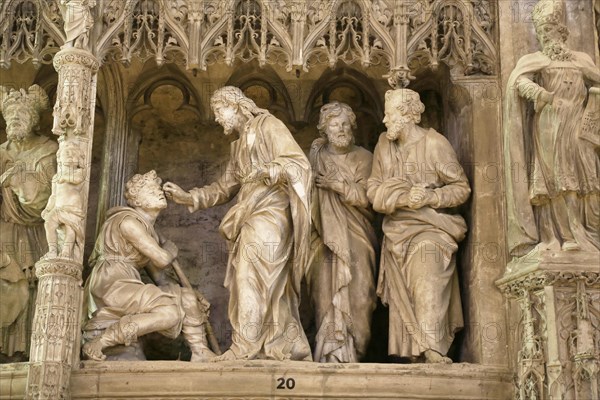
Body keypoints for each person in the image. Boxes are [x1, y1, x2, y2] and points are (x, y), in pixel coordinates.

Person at [164, 86, 312, 362]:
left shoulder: (269, 126)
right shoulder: (239, 145)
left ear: (236, 106)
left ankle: (247, 346)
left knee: (253, 277)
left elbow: (298, 165)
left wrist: (268, 170)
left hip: (271, 212)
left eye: (220, 111)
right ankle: (283, 343)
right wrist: (188, 196)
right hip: (249, 215)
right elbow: (223, 187)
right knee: (253, 279)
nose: (218, 119)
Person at [367, 88, 470, 363]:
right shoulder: (383, 145)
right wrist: (401, 197)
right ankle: (414, 354)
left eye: (389, 114)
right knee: (407, 293)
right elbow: (373, 191)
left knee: (427, 278)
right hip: (397, 230)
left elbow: (461, 188)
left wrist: (430, 196)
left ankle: (433, 348)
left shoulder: (435, 144)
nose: (385, 120)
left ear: (407, 115)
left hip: (431, 228)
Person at [82, 170, 214, 362]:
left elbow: (159, 277)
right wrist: (170, 248)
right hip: (112, 282)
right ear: (137, 200)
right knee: (169, 313)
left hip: (128, 280)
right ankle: (101, 342)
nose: (159, 192)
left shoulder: (150, 231)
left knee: (186, 297)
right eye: (151, 190)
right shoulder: (127, 221)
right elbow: (162, 259)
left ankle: (201, 353)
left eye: (158, 189)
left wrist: (188, 293)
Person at [504, 0, 600, 258]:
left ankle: (589, 235)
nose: (549, 37)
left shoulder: (582, 60)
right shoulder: (534, 59)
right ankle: (562, 236)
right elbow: (518, 81)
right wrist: (536, 92)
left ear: (564, 33)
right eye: (544, 33)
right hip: (549, 126)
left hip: (579, 128)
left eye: (553, 32)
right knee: (556, 180)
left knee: (587, 178)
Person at [307, 101, 377, 363]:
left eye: (345, 123)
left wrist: (338, 185)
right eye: (335, 124)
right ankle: (329, 354)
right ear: (325, 129)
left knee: (360, 294)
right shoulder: (317, 155)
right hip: (323, 236)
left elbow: (371, 197)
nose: (341, 128)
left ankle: (355, 353)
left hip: (357, 233)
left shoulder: (365, 158)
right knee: (325, 292)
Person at [0, 85, 56, 359]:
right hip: (3, 230)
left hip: (32, 232)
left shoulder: (47, 151)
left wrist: (18, 178)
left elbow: (46, 200)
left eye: (20, 115)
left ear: (34, 120)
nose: (14, 120)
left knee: (26, 286)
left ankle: (22, 352)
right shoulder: (1, 152)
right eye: (10, 116)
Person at [42, 139, 86, 260]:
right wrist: (48, 208)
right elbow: (54, 195)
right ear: (59, 159)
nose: (70, 157)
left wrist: (64, 176)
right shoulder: (56, 177)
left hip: (72, 205)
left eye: (74, 155)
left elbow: (77, 180)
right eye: (67, 154)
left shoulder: (79, 171)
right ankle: (52, 250)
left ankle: (67, 251)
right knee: (49, 223)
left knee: (70, 228)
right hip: (58, 206)